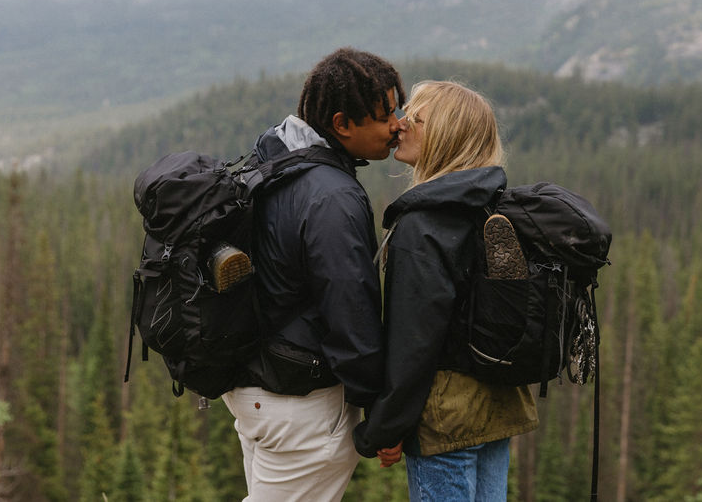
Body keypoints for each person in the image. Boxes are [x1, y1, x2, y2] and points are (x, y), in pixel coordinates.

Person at [221, 48, 405, 502]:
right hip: (301, 410)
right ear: (342, 124)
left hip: (257, 393)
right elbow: (351, 313)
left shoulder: (273, 164)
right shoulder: (332, 197)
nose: (398, 124)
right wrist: (381, 414)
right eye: (385, 116)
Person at [352, 80, 539, 501]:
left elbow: (414, 343)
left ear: (443, 137)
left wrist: (383, 429)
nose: (399, 126)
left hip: (446, 421)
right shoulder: (494, 205)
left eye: (414, 119)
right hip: (498, 408)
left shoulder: (423, 224)